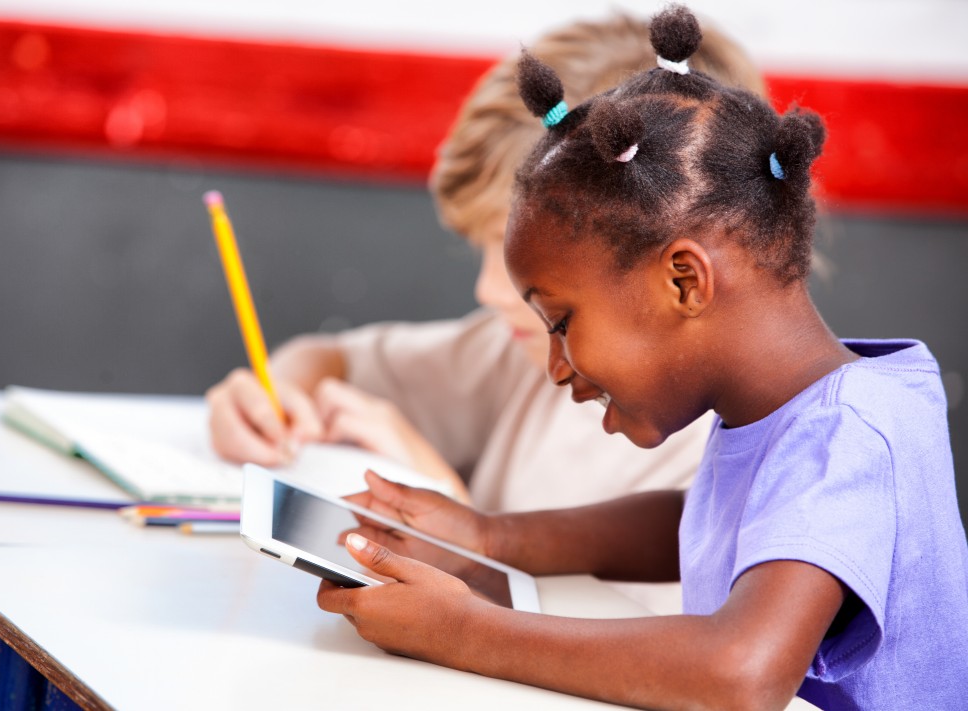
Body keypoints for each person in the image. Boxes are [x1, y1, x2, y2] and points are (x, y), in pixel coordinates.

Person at [315, 6, 968, 709]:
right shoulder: (789, 410)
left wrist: (467, 631)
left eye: (561, 322)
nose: (556, 365)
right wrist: (487, 537)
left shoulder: (851, 429)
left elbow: (741, 671)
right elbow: (697, 523)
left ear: (684, 280)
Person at [206, 12, 763, 515]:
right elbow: (331, 358)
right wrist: (274, 394)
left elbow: (627, 625)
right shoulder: (520, 356)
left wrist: (451, 516)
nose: (490, 291)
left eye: (511, 252)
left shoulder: (733, 458)